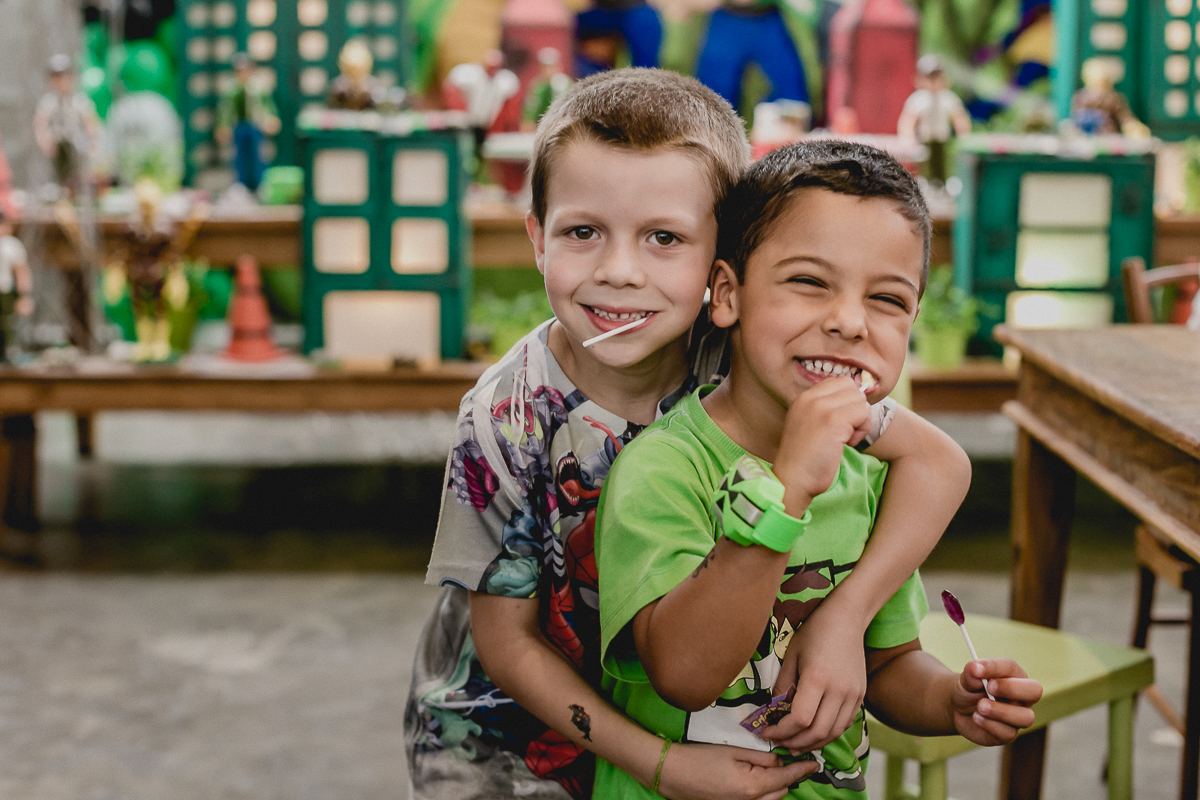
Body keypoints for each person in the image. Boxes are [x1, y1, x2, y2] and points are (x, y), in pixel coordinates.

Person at [407, 69, 971, 800]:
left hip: (681, 711)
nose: (619, 272)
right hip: (506, 743)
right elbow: (509, 646)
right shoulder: (505, 417)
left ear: (721, 264)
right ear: (538, 237)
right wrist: (663, 764)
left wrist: (844, 617)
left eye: (665, 238)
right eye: (582, 232)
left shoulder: (753, 357)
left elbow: (933, 460)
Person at [594, 140, 1043, 798]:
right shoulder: (664, 469)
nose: (850, 322)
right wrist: (790, 489)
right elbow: (685, 675)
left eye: (888, 299)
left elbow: (886, 667)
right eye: (809, 282)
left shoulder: (869, 479)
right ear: (728, 294)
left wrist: (949, 701)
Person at [897, 55, 971, 189]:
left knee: (944, 162)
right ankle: (926, 183)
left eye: (936, 77)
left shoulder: (948, 98)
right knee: (925, 163)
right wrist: (907, 137)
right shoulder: (918, 100)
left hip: (943, 139)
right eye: (929, 78)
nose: (933, 82)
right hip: (925, 139)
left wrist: (963, 135)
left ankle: (946, 183)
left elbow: (959, 118)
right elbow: (908, 120)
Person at [33, 54, 101, 197]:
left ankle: (77, 194)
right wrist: (44, 141)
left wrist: (92, 141)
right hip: (57, 145)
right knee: (57, 177)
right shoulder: (49, 102)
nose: (62, 81)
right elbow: (41, 122)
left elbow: (89, 121)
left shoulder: (78, 100)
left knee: (78, 174)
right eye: (57, 77)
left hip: (75, 143)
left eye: (65, 76)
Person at [215, 53, 280, 192]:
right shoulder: (231, 89)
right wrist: (223, 126)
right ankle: (241, 185)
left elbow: (267, 106)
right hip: (239, 126)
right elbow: (225, 110)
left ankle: (260, 184)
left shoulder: (258, 87)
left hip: (255, 126)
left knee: (258, 156)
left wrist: (271, 119)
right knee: (239, 156)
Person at [0, 212, 33, 361]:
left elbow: (21, 271)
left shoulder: (10, 245)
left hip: (5, 291)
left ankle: (9, 353)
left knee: (7, 324)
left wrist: (24, 296)